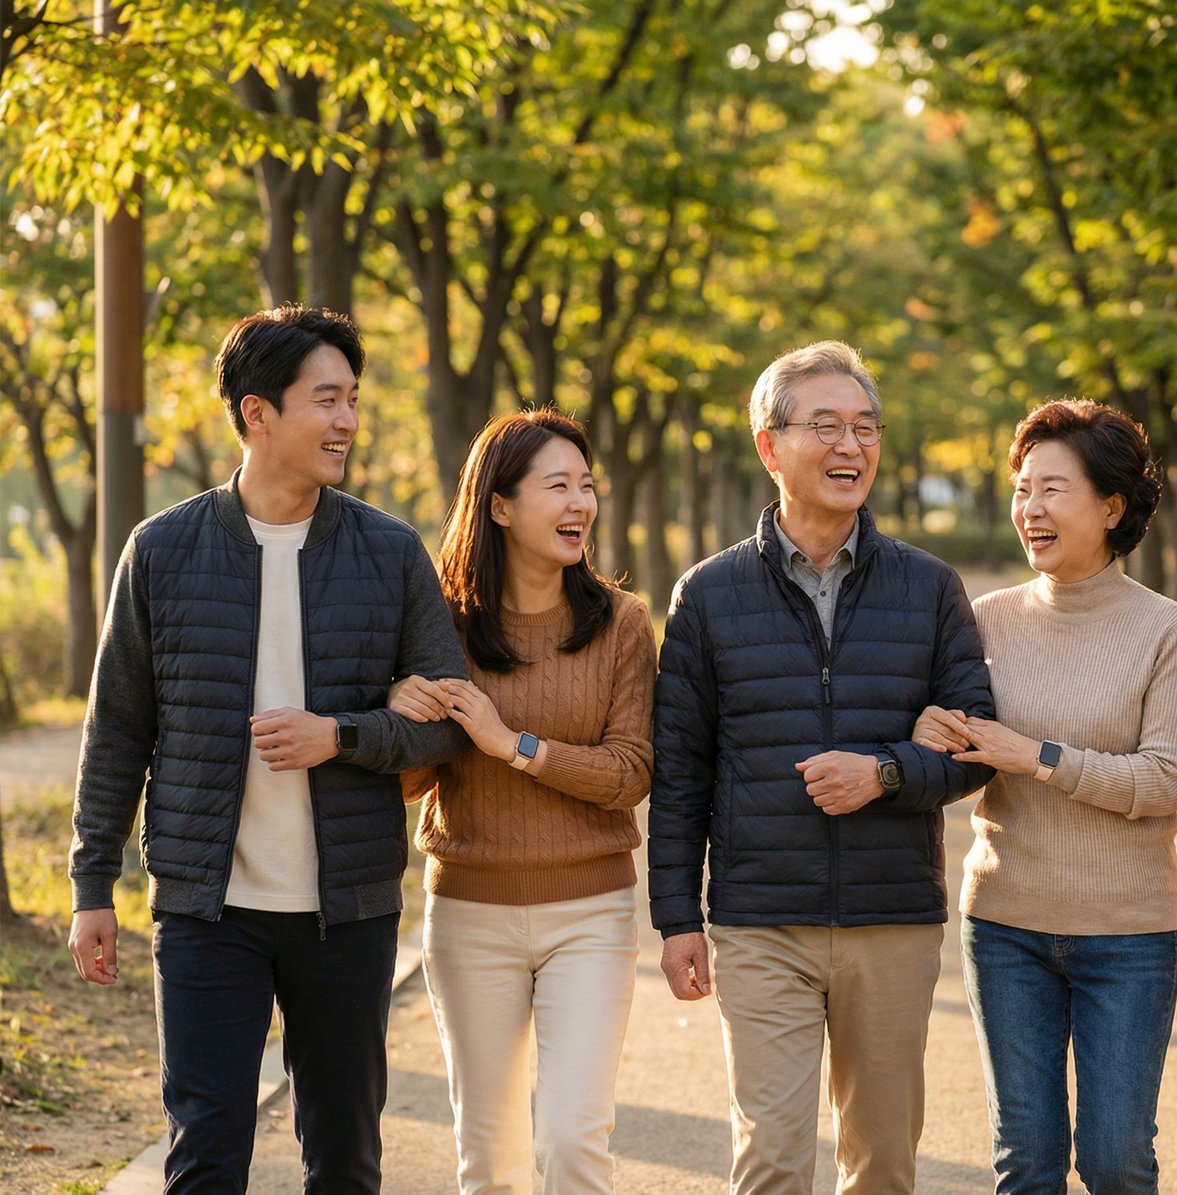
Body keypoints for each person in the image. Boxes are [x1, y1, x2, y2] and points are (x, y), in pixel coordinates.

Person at [66, 303, 469, 1194]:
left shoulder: (390, 552)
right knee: (206, 1150)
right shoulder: (162, 551)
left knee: (345, 1158)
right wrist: (93, 882)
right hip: (208, 913)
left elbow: (449, 721)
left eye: (353, 399)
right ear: (258, 412)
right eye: (327, 399)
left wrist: (346, 733)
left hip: (348, 914)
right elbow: (119, 728)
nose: (348, 422)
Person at [648, 340, 995, 1195]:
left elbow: (976, 744)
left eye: (867, 428)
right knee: (771, 1154)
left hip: (892, 917)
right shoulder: (709, 592)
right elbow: (682, 767)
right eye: (827, 426)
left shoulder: (929, 586)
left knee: (881, 1161)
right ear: (770, 446)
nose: (852, 447)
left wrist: (883, 772)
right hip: (761, 918)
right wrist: (675, 916)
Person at [913, 399, 1177, 1194]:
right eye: (1021, 488)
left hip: (1129, 933)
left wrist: (1038, 756)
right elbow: (956, 752)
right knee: (1027, 1161)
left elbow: (1164, 780)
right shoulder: (983, 620)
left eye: (1052, 489)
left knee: (1116, 1160)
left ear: (1111, 506)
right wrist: (932, 729)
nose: (1029, 509)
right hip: (1005, 925)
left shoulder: (1167, 629)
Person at [387, 410, 654, 1195]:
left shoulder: (622, 624)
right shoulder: (439, 623)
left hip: (592, 911)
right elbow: (407, 788)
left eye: (587, 485)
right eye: (558, 486)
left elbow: (631, 771)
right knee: (490, 1157)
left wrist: (516, 745)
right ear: (500, 505)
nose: (581, 504)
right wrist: (401, 718)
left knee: (573, 1142)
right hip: (469, 912)